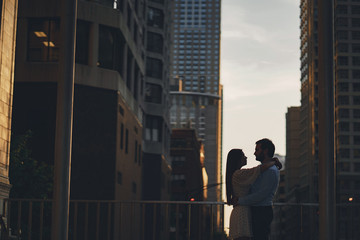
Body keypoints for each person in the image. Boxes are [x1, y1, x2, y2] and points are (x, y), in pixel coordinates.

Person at [226, 148, 281, 240]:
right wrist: (273, 162)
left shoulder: (238, 174)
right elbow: (258, 169)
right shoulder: (239, 174)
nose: (246, 157)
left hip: (242, 210)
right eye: (243, 155)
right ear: (238, 159)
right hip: (242, 212)